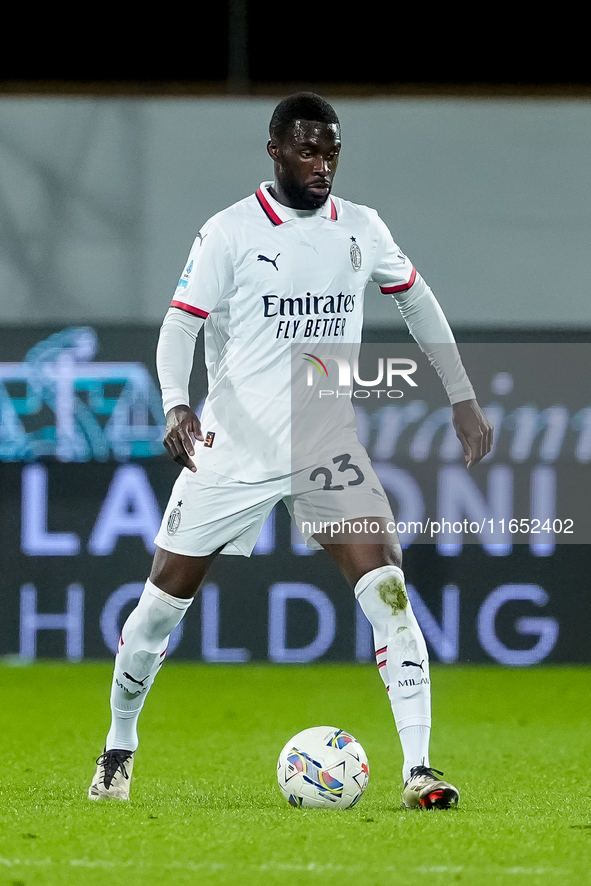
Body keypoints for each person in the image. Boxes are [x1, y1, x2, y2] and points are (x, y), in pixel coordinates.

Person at [89, 93, 492, 809]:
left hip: (323, 446)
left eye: (332, 152)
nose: (322, 166)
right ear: (274, 149)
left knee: (390, 594)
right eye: (308, 150)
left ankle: (419, 771)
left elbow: (416, 300)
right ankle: (119, 746)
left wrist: (459, 394)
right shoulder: (229, 233)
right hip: (232, 450)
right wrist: (177, 403)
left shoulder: (360, 229)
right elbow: (179, 326)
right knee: (158, 610)